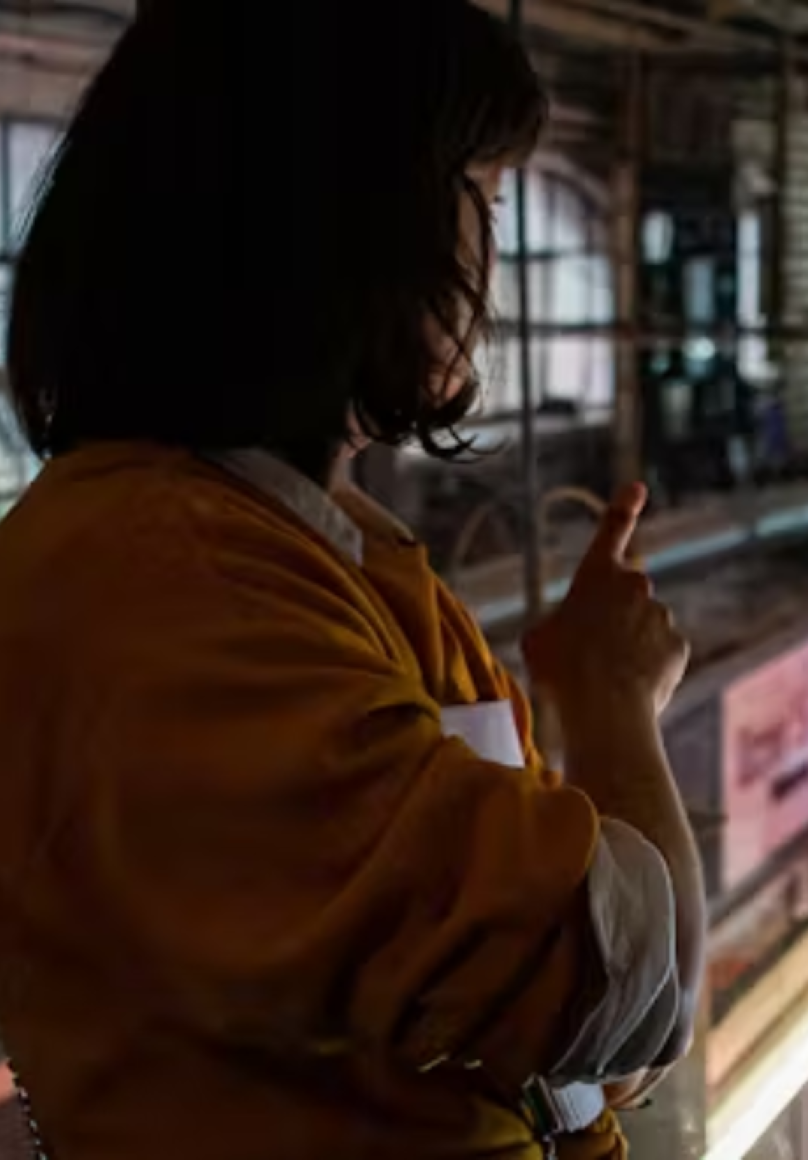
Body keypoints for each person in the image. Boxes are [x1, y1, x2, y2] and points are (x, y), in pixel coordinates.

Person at [0, 3, 702, 1157]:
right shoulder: (170, 589)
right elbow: (615, 989)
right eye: (481, 198)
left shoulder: (315, 560)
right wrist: (613, 704)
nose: (490, 256)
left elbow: (553, 1065)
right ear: (356, 229)